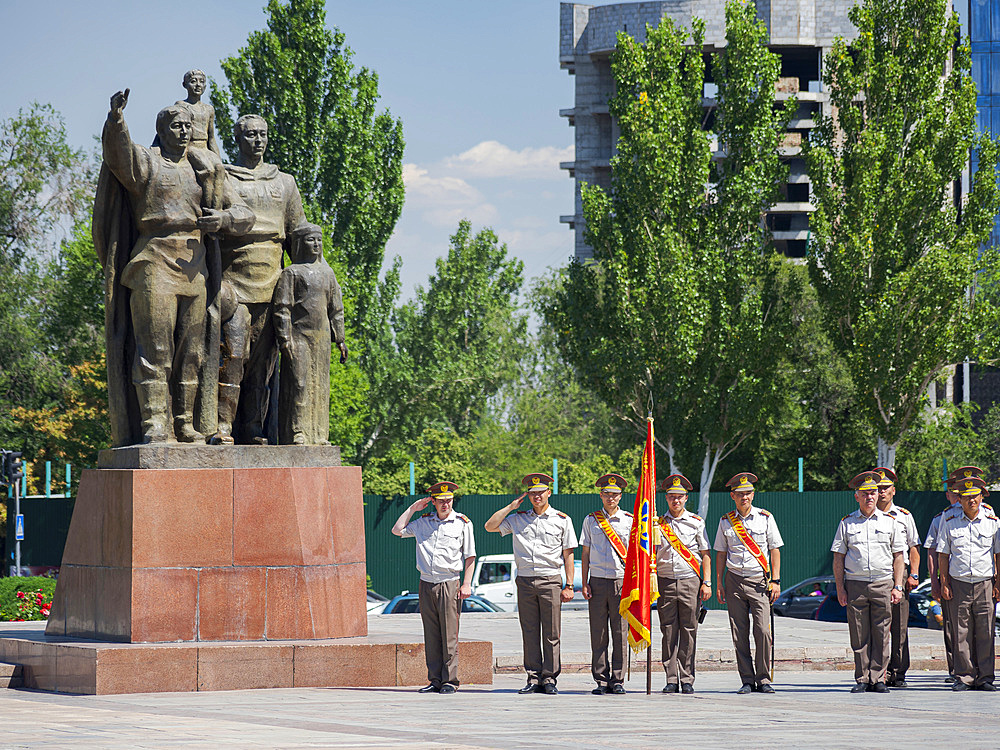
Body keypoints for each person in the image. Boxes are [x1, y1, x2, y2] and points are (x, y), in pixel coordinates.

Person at [95, 88, 255, 446]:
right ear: (162, 130)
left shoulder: (206, 168)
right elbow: (118, 156)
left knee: (191, 352)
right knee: (155, 351)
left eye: (188, 125)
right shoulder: (147, 162)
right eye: (177, 126)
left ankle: (184, 423)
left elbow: (245, 214)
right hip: (154, 260)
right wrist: (116, 120)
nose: (184, 131)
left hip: (194, 266)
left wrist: (224, 218)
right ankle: (155, 424)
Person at [218, 114, 307, 444]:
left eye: (263, 134)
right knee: (233, 357)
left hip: (272, 288)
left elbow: (299, 236)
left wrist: (316, 287)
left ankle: (254, 429)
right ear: (237, 139)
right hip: (233, 287)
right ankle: (223, 426)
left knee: (262, 367)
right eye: (251, 134)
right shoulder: (225, 177)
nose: (258, 140)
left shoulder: (285, 183)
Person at [484, 473, 578, 695]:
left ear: (549, 493)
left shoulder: (562, 520)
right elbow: (490, 526)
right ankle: (533, 677)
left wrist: (570, 585)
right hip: (525, 580)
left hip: (550, 579)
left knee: (552, 632)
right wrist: (510, 506)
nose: (537, 497)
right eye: (533, 493)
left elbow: (568, 554)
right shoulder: (518, 518)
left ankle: (550, 679)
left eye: (540, 493)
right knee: (530, 630)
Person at [391, 480, 476, 694]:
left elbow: (470, 556)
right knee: (431, 634)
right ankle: (435, 679)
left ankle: (450, 680)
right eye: (440, 501)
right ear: (433, 502)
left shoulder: (463, 523)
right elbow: (397, 530)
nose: (445, 504)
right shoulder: (423, 522)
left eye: (448, 500)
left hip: (449, 581)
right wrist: (412, 508)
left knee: (449, 635)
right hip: (427, 582)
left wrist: (466, 583)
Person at [272, 223, 347, 444]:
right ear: (300, 244)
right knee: (299, 383)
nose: (316, 244)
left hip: (322, 338)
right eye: (310, 240)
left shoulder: (328, 273)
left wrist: (340, 339)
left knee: (320, 384)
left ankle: (320, 434)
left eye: (319, 240)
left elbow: (336, 309)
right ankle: (298, 431)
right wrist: (285, 340)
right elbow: (282, 308)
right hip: (299, 337)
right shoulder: (292, 273)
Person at [831, 470, 906, 693]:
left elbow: (899, 556)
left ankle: (878, 677)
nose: (870, 497)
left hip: (883, 582)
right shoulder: (847, 523)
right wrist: (840, 588)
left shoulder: (890, 521)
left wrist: (898, 585)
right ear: (857, 496)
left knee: (882, 632)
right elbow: (838, 558)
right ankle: (862, 677)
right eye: (865, 493)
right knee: (859, 632)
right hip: (856, 583)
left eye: (873, 493)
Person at [714, 472, 783, 694]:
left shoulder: (765, 518)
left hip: (758, 580)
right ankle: (747, 679)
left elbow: (774, 549)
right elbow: (721, 554)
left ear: (753, 495)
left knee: (763, 630)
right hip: (734, 579)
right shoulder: (725, 521)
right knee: (739, 631)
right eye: (740, 494)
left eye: (748, 493)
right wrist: (719, 583)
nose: (745, 497)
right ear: (732, 496)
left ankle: (763, 678)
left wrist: (776, 580)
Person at [936, 476, 1000, 691]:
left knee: (986, 632)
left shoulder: (993, 522)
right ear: (959, 500)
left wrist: (998, 582)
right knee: (960, 632)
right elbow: (943, 555)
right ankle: (964, 676)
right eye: (966, 498)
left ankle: (985, 677)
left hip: (985, 583)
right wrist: (944, 583)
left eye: (975, 497)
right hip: (959, 583)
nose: (971, 501)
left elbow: (998, 555)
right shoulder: (949, 522)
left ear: (982, 497)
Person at [655, 474, 711, 695]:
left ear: (686, 498)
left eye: (679, 497)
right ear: (666, 499)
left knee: (689, 630)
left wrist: (706, 582)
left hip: (689, 580)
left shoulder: (696, 522)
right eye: (671, 497)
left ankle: (687, 678)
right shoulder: (656, 524)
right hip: (665, 581)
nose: (675, 501)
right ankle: (671, 678)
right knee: (668, 631)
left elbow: (705, 554)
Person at [579, 473, 632, 695]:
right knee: (599, 632)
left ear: (620, 496)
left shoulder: (631, 520)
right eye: (607, 494)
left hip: (621, 581)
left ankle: (618, 679)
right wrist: (584, 582)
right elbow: (586, 553)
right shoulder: (591, 520)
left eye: (615, 494)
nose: (611, 498)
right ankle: (601, 679)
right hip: (598, 581)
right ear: (601, 495)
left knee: (620, 632)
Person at [872, 467, 920, 688]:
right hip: (878, 575)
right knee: (877, 627)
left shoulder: (904, 516)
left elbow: (913, 548)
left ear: (894, 490)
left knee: (899, 627)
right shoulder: (867, 514)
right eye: (878, 488)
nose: (882, 492)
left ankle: (898, 672)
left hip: (899, 576)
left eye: (886, 488)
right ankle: (877, 672)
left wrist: (914, 575)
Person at [924, 477, 965, 682]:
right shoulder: (941, 519)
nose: (956, 496)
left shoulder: (987, 514)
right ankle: (956, 669)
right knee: (951, 626)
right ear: (948, 495)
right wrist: (935, 580)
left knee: (980, 627)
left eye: (960, 492)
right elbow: (932, 551)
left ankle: (978, 669)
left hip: (978, 577)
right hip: (950, 579)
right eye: (952, 492)